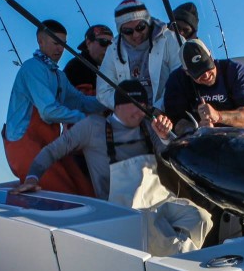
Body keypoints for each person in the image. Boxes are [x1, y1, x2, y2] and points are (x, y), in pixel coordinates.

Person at [12, 80, 174, 200]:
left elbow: (172, 157)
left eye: (143, 107)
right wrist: (32, 178)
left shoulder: (149, 127)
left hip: (158, 204)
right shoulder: (92, 126)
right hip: (119, 213)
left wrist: (166, 137)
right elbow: (51, 151)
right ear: (118, 106)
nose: (140, 112)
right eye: (135, 106)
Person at [2, 19, 105, 192]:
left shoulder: (59, 76)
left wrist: (111, 102)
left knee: (84, 189)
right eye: (55, 43)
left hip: (49, 144)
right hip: (26, 145)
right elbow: (48, 111)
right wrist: (85, 121)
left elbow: (80, 101)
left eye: (63, 44)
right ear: (40, 41)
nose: (60, 49)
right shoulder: (32, 68)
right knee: (63, 193)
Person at [96, 0, 183, 112]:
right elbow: (103, 91)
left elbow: (182, 78)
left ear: (148, 23)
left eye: (140, 27)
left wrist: (159, 108)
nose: (136, 34)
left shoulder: (171, 40)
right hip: (131, 117)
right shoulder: (113, 50)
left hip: (170, 112)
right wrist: (129, 107)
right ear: (120, 31)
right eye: (128, 31)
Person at [164, 38, 244, 131]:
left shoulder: (235, 71)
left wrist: (218, 116)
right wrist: (197, 130)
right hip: (198, 138)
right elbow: (176, 121)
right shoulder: (177, 80)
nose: (206, 75)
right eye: (198, 73)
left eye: (207, 66)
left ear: (211, 56)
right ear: (187, 72)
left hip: (235, 136)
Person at [64, 24, 114, 96]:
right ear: (88, 43)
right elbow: (83, 99)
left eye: (112, 45)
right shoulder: (77, 66)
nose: (108, 48)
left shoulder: (111, 68)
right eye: (104, 42)